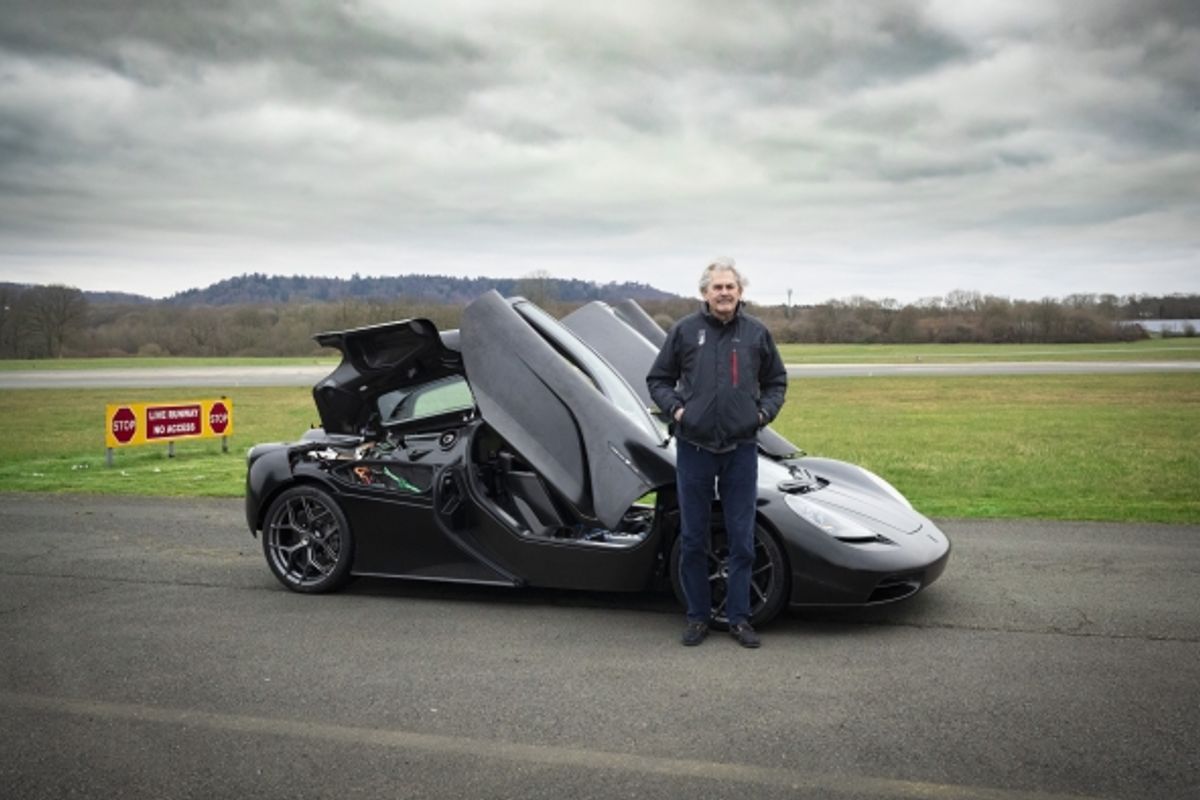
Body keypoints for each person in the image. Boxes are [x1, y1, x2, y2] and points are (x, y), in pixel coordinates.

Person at [647, 257, 788, 648]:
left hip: (740, 449)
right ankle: (697, 617)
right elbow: (658, 379)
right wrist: (677, 410)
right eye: (717, 287)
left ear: (740, 292)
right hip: (694, 449)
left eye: (730, 287)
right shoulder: (685, 332)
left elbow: (776, 381)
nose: (724, 293)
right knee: (693, 538)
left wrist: (762, 415)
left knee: (742, 538)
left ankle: (740, 618)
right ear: (705, 293)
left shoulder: (757, 333)